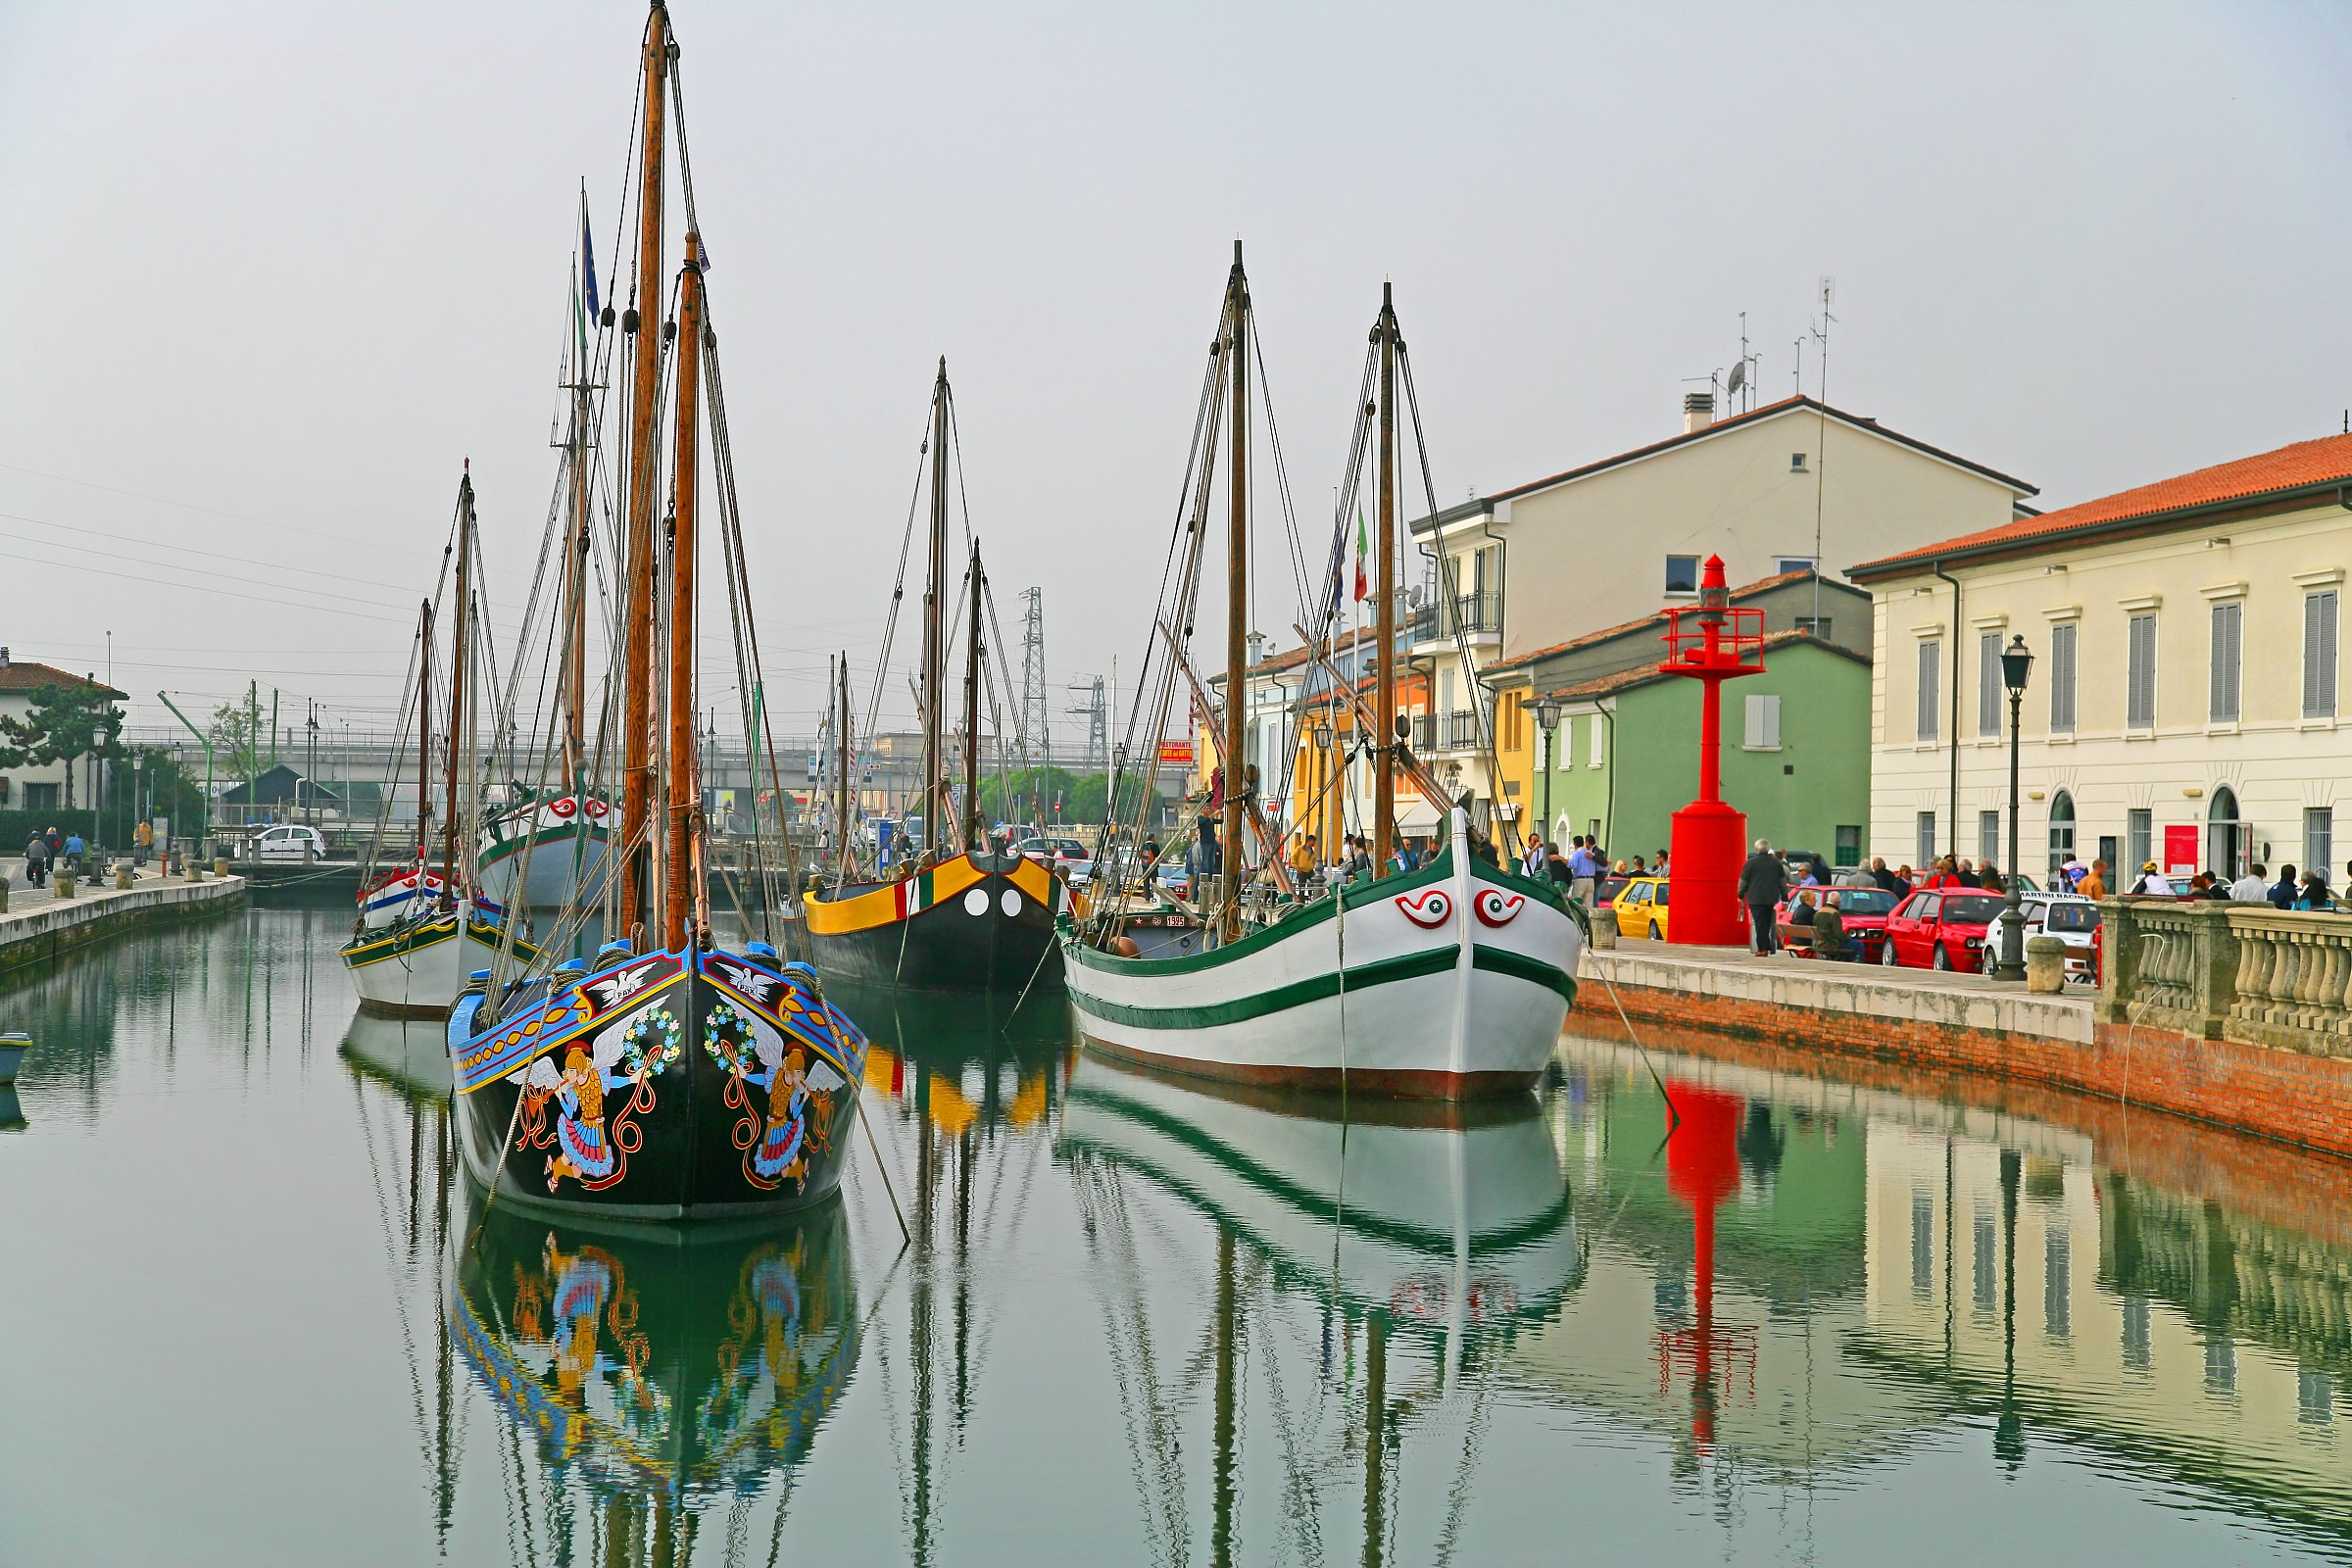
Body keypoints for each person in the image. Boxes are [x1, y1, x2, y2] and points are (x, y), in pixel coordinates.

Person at [1738, 838, 1788, 956]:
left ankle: (1763, 948)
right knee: (1766, 922)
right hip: (1771, 897)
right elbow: (1782, 883)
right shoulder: (1776, 863)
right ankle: (1766, 946)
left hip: (1755, 897)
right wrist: (1785, 898)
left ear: (1757, 848)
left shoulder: (1750, 863)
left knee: (1760, 922)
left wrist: (1740, 894)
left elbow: (1743, 881)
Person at [1813, 890, 1851, 961]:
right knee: (1858, 944)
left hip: (1819, 943)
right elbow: (1838, 934)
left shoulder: (1818, 912)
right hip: (1832, 943)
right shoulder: (1834, 913)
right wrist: (1848, 938)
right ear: (1838, 902)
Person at [1566, 837, 1602, 906]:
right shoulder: (1591, 854)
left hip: (1580, 880)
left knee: (1576, 902)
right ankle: (1589, 913)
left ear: (1574, 844)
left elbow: (1573, 865)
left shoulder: (1577, 853)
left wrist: (1563, 860)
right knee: (1589, 904)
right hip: (1591, 880)